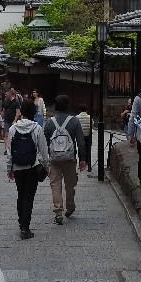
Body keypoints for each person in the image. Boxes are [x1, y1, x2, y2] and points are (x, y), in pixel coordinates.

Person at [7, 99, 48, 239]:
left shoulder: (13, 128)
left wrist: (9, 167)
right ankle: (25, 227)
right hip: (32, 166)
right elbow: (43, 151)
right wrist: (45, 167)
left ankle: (21, 223)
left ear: (22, 112)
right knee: (29, 196)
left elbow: (10, 151)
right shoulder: (37, 128)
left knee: (20, 194)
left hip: (18, 166)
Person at [44, 95, 88, 225]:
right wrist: (83, 158)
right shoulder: (74, 121)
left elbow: (45, 142)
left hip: (54, 158)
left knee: (55, 185)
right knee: (70, 185)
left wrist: (46, 158)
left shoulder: (50, 122)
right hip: (70, 158)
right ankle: (70, 206)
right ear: (67, 106)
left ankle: (58, 211)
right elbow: (81, 141)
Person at [76, 104, 93, 171]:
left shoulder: (77, 117)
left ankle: (81, 160)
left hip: (80, 135)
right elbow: (92, 125)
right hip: (88, 134)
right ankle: (88, 161)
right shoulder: (89, 117)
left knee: (81, 148)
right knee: (88, 148)